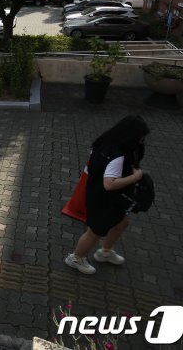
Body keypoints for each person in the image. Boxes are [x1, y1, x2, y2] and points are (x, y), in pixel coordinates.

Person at [64, 115, 150, 275]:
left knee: (121, 224)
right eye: (141, 137)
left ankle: (105, 252)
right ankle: (75, 258)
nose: (143, 141)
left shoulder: (104, 142)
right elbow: (109, 184)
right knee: (95, 231)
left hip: (97, 193)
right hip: (104, 198)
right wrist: (135, 177)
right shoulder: (118, 156)